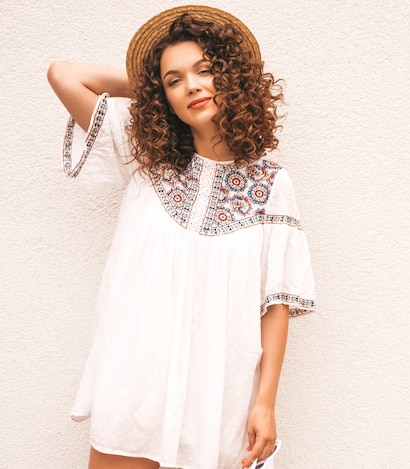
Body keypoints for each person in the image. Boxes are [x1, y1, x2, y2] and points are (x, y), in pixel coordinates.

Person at [47, 6, 315, 469]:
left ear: (232, 78)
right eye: (175, 79)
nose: (191, 85)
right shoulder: (146, 157)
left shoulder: (272, 185)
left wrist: (265, 404)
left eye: (206, 71)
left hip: (219, 395)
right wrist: (155, 92)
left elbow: (276, 304)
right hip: (136, 382)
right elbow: (64, 75)